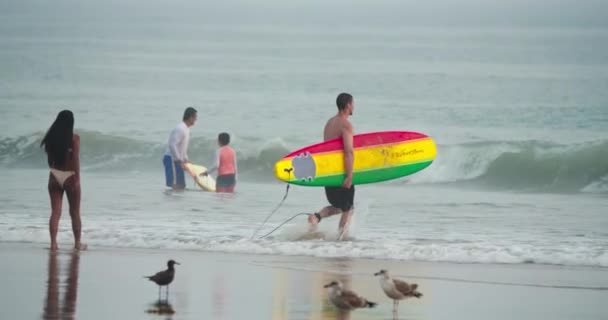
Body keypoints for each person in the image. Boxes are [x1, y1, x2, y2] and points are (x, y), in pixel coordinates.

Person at [308, 93, 355, 239]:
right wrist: (349, 176)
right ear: (348, 105)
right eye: (353, 103)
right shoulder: (345, 124)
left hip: (329, 173)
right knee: (348, 209)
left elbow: (327, 150)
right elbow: (348, 151)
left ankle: (316, 217)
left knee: (338, 206)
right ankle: (342, 241)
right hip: (340, 173)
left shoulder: (329, 123)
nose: (354, 106)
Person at [40, 110, 85, 251]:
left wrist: (55, 172)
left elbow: (49, 161)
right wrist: (77, 177)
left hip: (54, 176)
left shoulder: (50, 139)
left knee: (55, 212)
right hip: (70, 176)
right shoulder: (74, 139)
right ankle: (77, 244)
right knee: (75, 212)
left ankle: (53, 244)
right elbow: (75, 160)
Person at [163, 107, 197, 190]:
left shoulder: (187, 129)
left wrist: (186, 159)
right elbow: (172, 144)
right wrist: (179, 159)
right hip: (171, 159)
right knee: (175, 185)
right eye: (195, 117)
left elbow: (182, 147)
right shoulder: (180, 128)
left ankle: (178, 202)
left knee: (181, 185)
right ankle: (170, 202)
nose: (196, 119)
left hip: (177, 160)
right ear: (190, 117)